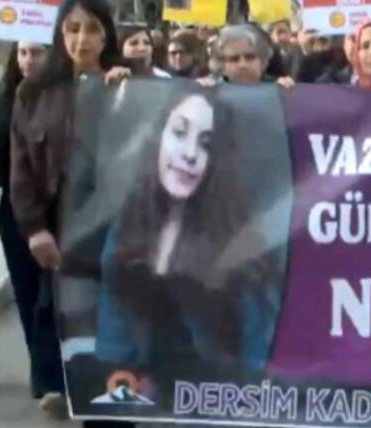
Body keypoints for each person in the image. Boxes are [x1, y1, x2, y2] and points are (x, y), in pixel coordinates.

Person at [96, 88, 283, 407]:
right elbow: (113, 313)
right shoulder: (130, 222)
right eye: (179, 133)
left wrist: (249, 397)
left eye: (206, 143)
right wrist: (118, 387)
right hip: (143, 395)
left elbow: (256, 350)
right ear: (159, 137)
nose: (190, 153)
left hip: (214, 400)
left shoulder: (238, 236)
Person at [9, 0, 132, 428]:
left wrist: (130, 94)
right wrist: (34, 229)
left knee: (118, 338)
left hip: (121, 240)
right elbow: (21, 167)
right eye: (72, 29)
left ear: (107, 34)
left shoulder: (131, 84)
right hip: (63, 241)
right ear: (60, 33)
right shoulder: (34, 93)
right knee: (79, 341)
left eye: (92, 29)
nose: (82, 40)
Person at [0, 41, 69, 416]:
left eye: (38, 52)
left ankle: (66, 374)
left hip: (58, 211)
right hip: (15, 210)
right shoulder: (3, 101)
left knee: (56, 296)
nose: (29, 60)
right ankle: (45, 376)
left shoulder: (66, 95)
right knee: (29, 292)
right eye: (23, 53)